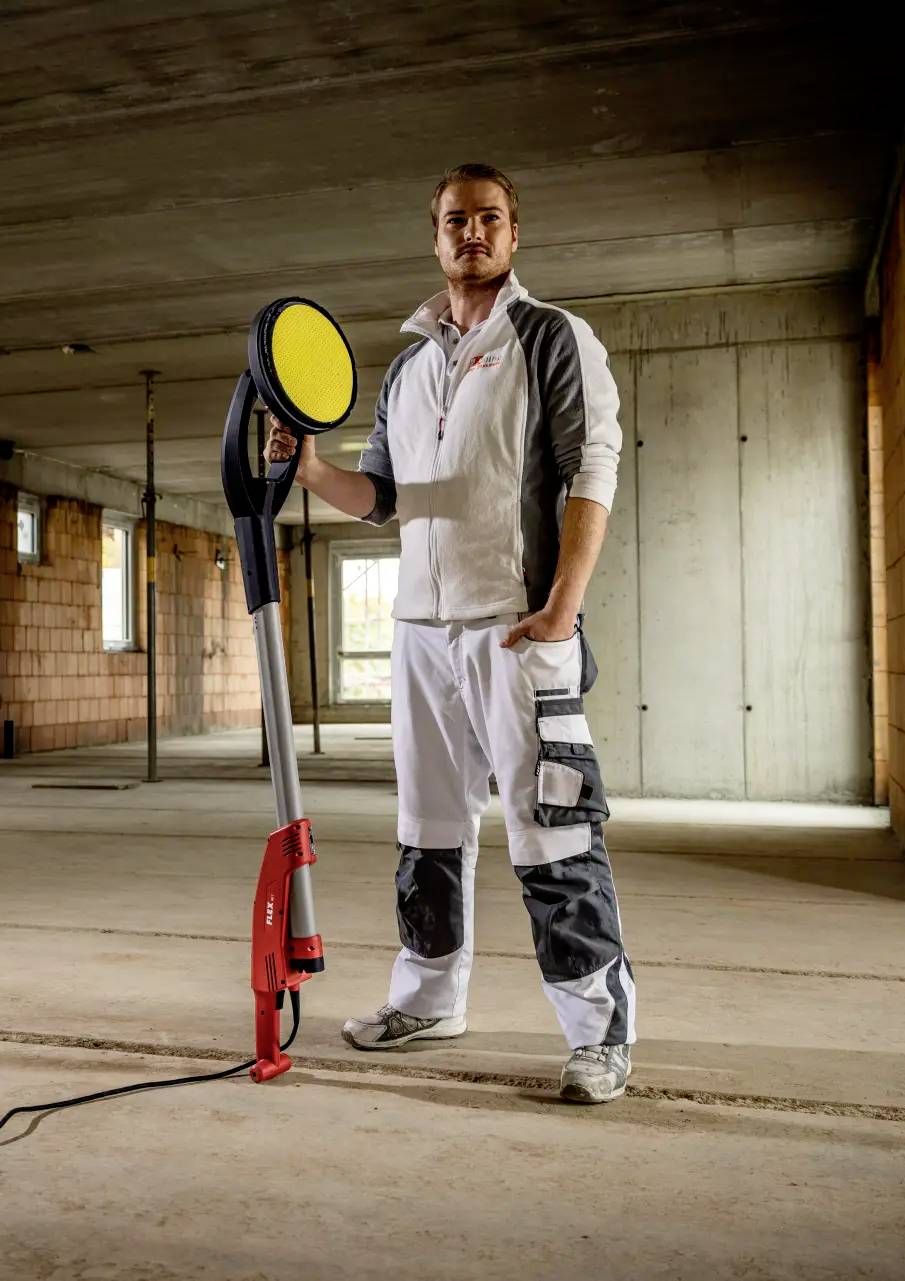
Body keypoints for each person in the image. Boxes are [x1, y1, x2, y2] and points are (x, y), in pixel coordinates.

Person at [265, 163, 635, 1103]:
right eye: (455, 219)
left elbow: (591, 470)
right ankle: (430, 998)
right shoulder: (410, 364)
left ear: (514, 234)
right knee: (427, 834)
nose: (472, 232)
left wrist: (563, 603)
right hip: (421, 632)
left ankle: (600, 1032)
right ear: (434, 236)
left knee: (551, 833)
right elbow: (386, 496)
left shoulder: (553, 338)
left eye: (490, 218)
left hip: (516, 631)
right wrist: (311, 470)